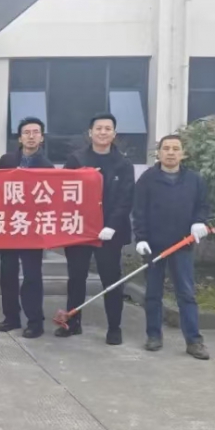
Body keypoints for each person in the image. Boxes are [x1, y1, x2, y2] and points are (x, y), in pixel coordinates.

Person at [58, 113, 135, 345]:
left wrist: (111, 225)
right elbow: (65, 191)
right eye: (98, 128)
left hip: (110, 233)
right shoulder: (76, 159)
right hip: (80, 229)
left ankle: (114, 327)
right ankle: (72, 322)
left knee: (111, 280)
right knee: (76, 278)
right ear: (90, 133)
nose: (103, 132)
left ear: (114, 133)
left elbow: (125, 199)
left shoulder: (124, 163)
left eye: (107, 129)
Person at [133, 135, 211, 360]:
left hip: (182, 245)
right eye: (166, 148)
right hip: (154, 246)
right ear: (158, 153)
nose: (170, 152)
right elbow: (139, 210)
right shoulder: (147, 179)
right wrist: (141, 238)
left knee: (186, 294)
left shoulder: (194, 180)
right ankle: (153, 335)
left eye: (175, 149)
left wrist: (199, 222)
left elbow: (203, 206)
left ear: (183, 154)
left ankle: (194, 341)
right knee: (153, 293)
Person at [0, 117, 54, 339]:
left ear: (41, 137)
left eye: (35, 132)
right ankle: (11, 317)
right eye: (26, 132)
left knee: (32, 275)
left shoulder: (47, 166)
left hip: (32, 229)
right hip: (9, 226)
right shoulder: (7, 160)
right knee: (7, 274)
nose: (31, 136)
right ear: (19, 138)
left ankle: (35, 321)